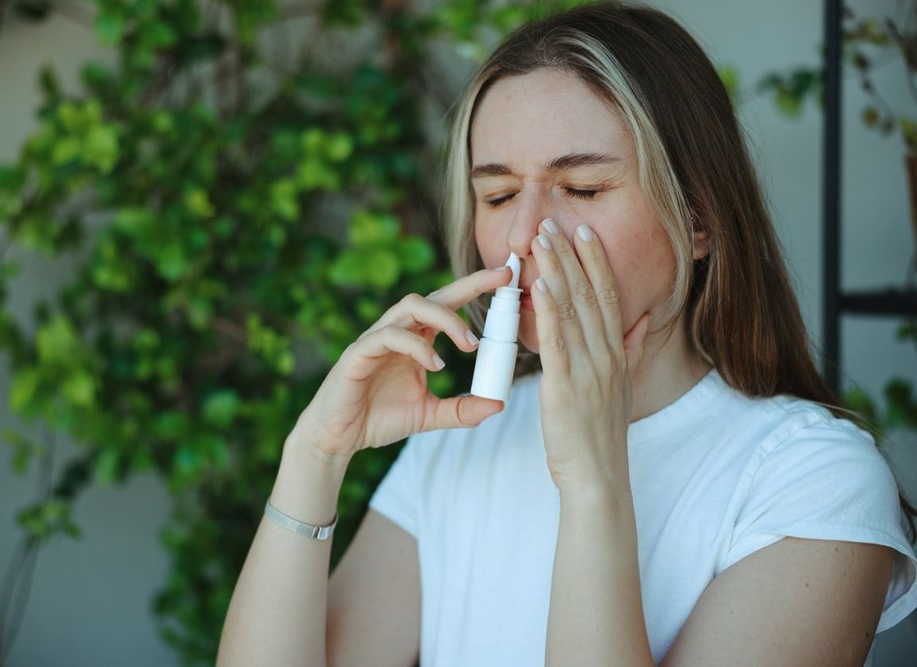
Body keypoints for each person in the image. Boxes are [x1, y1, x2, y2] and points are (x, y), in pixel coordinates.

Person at [217, 2, 917, 665]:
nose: (523, 234)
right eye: (496, 196)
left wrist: (592, 481)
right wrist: (315, 454)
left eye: (581, 188)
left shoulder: (812, 480)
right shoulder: (464, 445)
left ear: (699, 218)